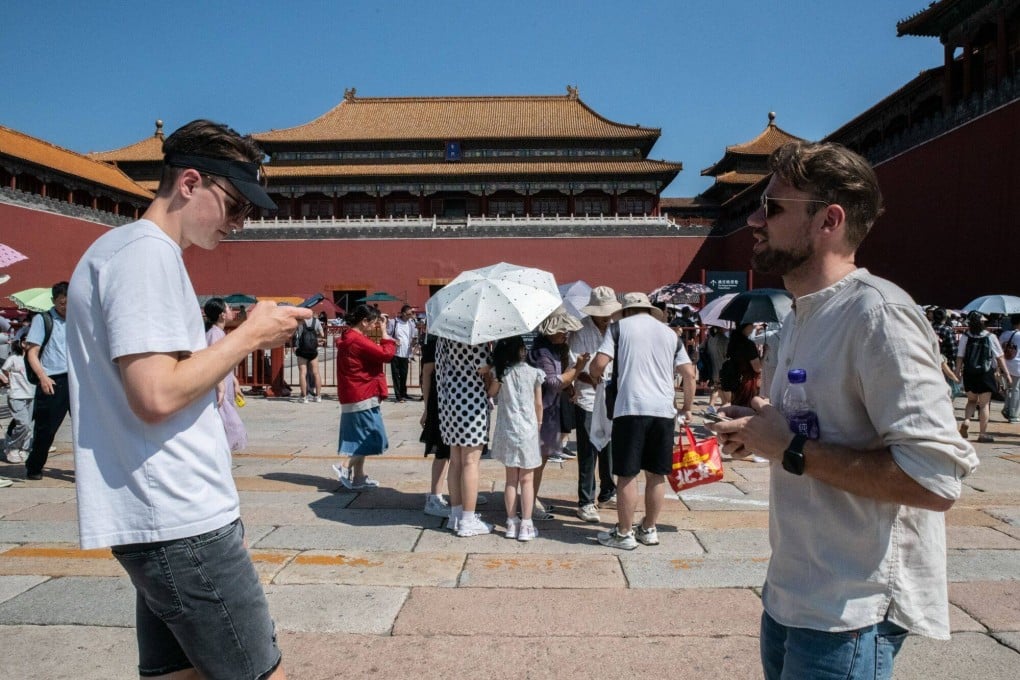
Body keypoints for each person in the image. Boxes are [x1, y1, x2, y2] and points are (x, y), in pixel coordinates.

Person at [709, 140, 979, 680]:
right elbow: (805, 433)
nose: (755, 220)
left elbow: (934, 482)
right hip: (790, 595)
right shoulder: (796, 320)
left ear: (828, 220)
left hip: (851, 610)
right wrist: (758, 429)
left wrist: (787, 448)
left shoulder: (877, 316)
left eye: (775, 207)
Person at [67, 119, 303, 679]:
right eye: (235, 206)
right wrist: (250, 337)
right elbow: (155, 393)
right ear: (191, 183)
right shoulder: (146, 256)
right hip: (180, 518)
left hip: (163, 517)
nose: (240, 225)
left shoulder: (122, 250)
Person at [588, 292, 692, 550]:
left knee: (627, 474)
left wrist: (595, 376)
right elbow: (689, 374)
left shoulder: (618, 328)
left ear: (625, 310)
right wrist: (687, 407)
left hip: (631, 408)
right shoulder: (670, 334)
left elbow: (599, 364)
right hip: (663, 410)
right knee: (657, 475)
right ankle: (649, 529)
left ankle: (624, 533)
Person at [527, 307, 586, 520]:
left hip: (547, 408)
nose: (565, 333)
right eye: (561, 329)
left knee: (539, 460)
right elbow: (552, 382)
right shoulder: (543, 352)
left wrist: (569, 383)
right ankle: (530, 502)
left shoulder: (549, 349)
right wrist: (577, 369)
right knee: (537, 460)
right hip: (541, 410)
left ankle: (531, 498)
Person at [570, 286, 622, 523]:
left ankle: (607, 491)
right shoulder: (580, 331)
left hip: (610, 396)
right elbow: (574, 366)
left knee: (609, 446)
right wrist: (590, 377)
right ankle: (585, 500)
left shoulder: (614, 329)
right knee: (589, 450)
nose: (606, 316)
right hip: (588, 397)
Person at [486, 335, 545, 541]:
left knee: (511, 479)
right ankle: (527, 524)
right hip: (528, 430)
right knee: (527, 479)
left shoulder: (500, 373)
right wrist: (539, 425)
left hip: (509, 430)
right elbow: (539, 404)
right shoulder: (535, 373)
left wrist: (492, 375)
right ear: (522, 351)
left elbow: (490, 393)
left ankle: (511, 522)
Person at [333, 304, 395, 489]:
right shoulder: (357, 340)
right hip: (363, 393)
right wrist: (385, 334)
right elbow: (386, 354)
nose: (374, 327)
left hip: (353, 392)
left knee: (360, 437)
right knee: (372, 436)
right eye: (373, 323)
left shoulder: (347, 337)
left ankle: (359, 477)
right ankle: (344, 466)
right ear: (364, 321)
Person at [436, 335, 492, 536]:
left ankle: (456, 514)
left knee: (456, 460)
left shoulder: (444, 336)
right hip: (471, 401)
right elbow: (483, 367)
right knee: (470, 461)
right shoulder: (473, 336)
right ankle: (468, 520)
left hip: (450, 399)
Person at [23, 281, 69, 481]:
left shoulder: (78, 319)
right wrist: (43, 377)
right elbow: (32, 353)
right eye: (62, 303)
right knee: (46, 429)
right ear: (54, 301)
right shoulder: (43, 320)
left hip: (76, 380)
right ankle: (34, 465)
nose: (66, 307)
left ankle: (88, 470)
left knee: (86, 428)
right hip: (52, 379)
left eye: (70, 302)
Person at [956, 311, 1010, 442]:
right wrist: (1006, 374)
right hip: (986, 374)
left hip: (969, 372)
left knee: (971, 401)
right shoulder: (990, 336)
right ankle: (982, 434)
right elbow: (999, 356)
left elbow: (960, 356)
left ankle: (967, 421)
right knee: (984, 404)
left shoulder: (965, 336)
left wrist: (957, 372)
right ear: (982, 322)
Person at [204, 297, 248, 452]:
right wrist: (220, 385)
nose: (231, 311)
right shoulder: (214, 335)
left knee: (226, 426)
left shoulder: (218, 333)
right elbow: (214, 363)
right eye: (228, 308)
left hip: (225, 385)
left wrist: (235, 382)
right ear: (222, 314)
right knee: (232, 427)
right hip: (218, 390)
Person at [418, 331, 451, 517]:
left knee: (460, 451)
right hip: (440, 400)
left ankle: (461, 491)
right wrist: (427, 407)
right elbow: (427, 373)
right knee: (442, 450)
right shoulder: (435, 338)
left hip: (459, 400)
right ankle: (434, 496)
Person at [2, 331, 34, 462]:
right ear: (20, 342)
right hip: (16, 395)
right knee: (23, 424)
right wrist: (8, 381)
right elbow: (4, 369)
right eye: (25, 340)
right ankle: (12, 446)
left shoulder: (36, 358)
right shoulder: (14, 358)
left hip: (32, 395)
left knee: (29, 426)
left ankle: (24, 449)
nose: (27, 343)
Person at [388, 304, 418, 402]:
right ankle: (398, 396)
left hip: (406, 352)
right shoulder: (394, 322)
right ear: (404, 313)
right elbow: (387, 335)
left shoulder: (411, 323)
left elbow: (413, 335)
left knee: (404, 374)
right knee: (396, 375)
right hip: (395, 352)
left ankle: (403, 393)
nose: (411, 315)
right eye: (409, 313)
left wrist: (414, 341)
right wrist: (394, 340)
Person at [293, 313, 324, 403]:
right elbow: (321, 334)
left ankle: (304, 397)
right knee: (316, 373)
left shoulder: (300, 322)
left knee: (303, 373)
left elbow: (296, 335)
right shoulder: (316, 321)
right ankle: (318, 396)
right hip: (313, 351)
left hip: (302, 350)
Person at [999, 314, 1020, 422]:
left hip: (1005, 365)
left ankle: (1007, 409)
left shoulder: (1004, 334)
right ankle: (1013, 414)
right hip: (1017, 366)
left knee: (1009, 389)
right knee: (1016, 390)